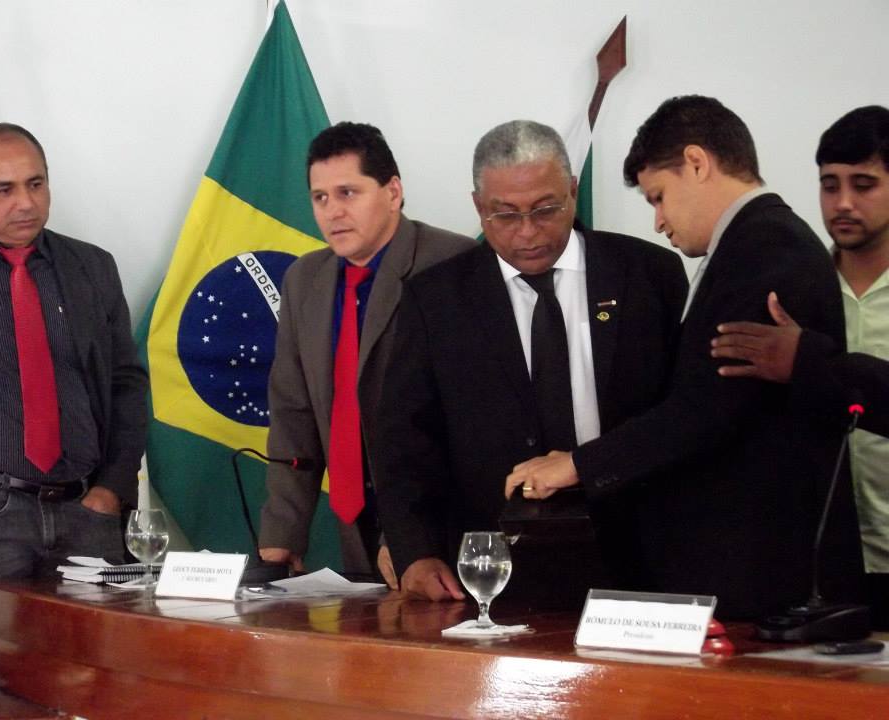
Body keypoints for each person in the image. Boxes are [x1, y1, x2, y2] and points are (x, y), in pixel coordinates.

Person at [505, 96, 866, 619]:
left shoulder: (767, 250)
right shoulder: (750, 245)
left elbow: (708, 409)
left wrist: (579, 464)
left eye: (659, 197)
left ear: (697, 163)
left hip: (761, 568)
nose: (658, 221)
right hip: (742, 561)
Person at [373, 119, 687, 605]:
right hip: (491, 563)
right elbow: (403, 438)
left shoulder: (648, 274)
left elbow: (682, 415)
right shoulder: (436, 298)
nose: (528, 232)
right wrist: (414, 551)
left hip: (640, 551)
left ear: (573, 192)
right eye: (505, 214)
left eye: (545, 209)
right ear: (478, 207)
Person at [0, 123, 148, 668]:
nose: (26, 203)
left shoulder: (91, 267)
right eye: (4, 189)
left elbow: (126, 382)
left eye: (36, 183)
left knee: (95, 679)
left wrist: (112, 488)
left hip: (86, 511)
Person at [258, 122, 473, 585]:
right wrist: (283, 534)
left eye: (348, 193)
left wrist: (412, 538)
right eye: (320, 197)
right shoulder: (304, 279)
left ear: (393, 192)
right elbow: (294, 413)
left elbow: (465, 422)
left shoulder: (452, 262)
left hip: (438, 528)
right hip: (352, 519)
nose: (332, 211)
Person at [712, 105, 889, 626]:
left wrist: (809, 361)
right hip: (821, 556)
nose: (843, 203)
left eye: (864, 185)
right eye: (829, 185)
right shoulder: (798, 283)